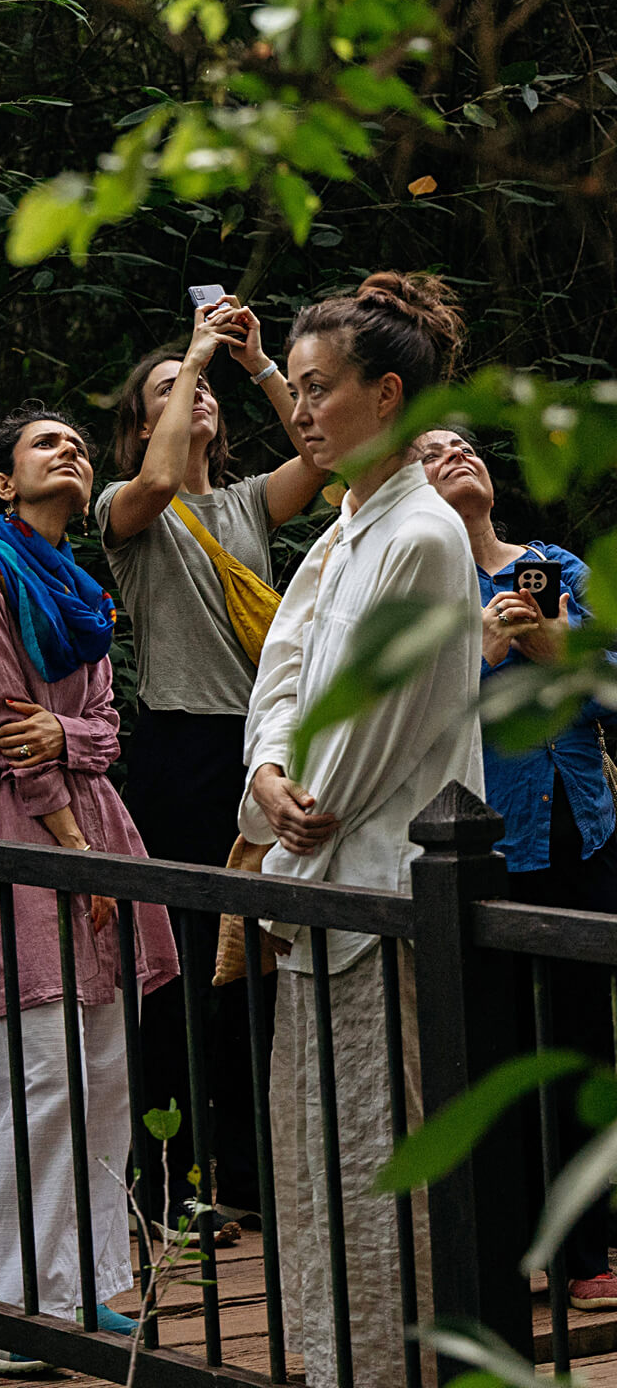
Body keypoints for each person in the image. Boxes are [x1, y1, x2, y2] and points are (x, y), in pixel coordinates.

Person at [238, 273, 483, 1388]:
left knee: (383, 1173)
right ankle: (336, 1368)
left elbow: (368, 744)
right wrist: (267, 776)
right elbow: (279, 684)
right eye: (292, 388)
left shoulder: (423, 536)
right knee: (316, 1169)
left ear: (388, 396)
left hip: (380, 897)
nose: (300, 410)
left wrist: (291, 816)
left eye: (319, 388)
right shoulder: (340, 532)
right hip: (315, 892)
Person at [0, 401, 178, 1375]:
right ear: (3, 483)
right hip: (17, 843)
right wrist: (69, 840)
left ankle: (87, 1280)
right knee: (45, 1074)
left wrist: (69, 741)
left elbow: (102, 726)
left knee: (103, 1074)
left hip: (92, 835)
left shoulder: (80, 588)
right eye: (44, 442)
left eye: (78, 441)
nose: (70, 449)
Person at [95, 297, 324, 1237]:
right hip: (180, 753)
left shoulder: (244, 501)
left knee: (255, 970)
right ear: (147, 420)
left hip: (256, 750)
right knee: (182, 974)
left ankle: (244, 1169)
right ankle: (163, 1183)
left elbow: (330, 458)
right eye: (165, 392)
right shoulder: (127, 511)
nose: (192, 398)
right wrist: (190, 356)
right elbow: (153, 480)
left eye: (193, 389)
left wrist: (260, 364)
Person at [417, 426, 617, 1310]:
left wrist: (552, 650)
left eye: (465, 446)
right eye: (429, 450)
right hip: (476, 840)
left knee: (580, 1038)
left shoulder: (556, 567)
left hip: (580, 830)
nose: (455, 454)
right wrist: (485, 651)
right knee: (487, 1043)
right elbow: (399, 717)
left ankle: (585, 1248)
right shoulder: (419, 580)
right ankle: (500, 1242)